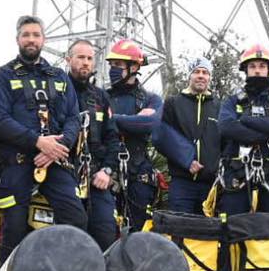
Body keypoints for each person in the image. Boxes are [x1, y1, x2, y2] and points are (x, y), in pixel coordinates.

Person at [0, 15, 85, 257]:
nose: (31, 39)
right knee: (14, 230)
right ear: (17, 39)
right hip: (17, 163)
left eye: (36, 35)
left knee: (77, 219)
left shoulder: (59, 77)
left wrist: (59, 147)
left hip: (56, 162)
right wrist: (38, 142)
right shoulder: (3, 76)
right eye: (26, 35)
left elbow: (74, 118)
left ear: (44, 39)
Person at [216, 44, 269, 215]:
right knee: (233, 228)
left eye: (262, 66)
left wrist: (246, 120)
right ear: (245, 70)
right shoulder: (232, 101)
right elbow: (226, 127)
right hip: (236, 174)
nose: (257, 71)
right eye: (252, 66)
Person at [65, 39, 125, 251]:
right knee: (68, 237)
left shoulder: (100, 97)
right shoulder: (58, 92)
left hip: (97, 177)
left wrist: (107, 171)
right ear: (68, 59)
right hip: (64, 176)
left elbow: (113, 139)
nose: (85, 63)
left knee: (106, 233)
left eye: (89, 58)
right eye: (80, 57)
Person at [101, 38, 163, 234]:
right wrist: (132, 120)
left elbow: (150, 123)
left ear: (134, 66)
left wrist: (112, 119)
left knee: (138, 233)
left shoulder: (150, 99)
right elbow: (94, 126)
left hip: (138, 174)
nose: (113, 69)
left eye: (118, 65)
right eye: (112, 65)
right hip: (105, 172)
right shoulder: (101, 96)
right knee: (104, 230)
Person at [156, 56, 220, 215]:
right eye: (196, 72)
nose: (201, 75)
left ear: (210, 77)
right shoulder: (173, 103)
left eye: (205, 72)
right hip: (181, 183)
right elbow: (161, 136)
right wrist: (186, 160)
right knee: (178, 232)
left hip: (211, 184)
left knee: (208, 235)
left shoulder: (219, 106)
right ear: (189, 76)